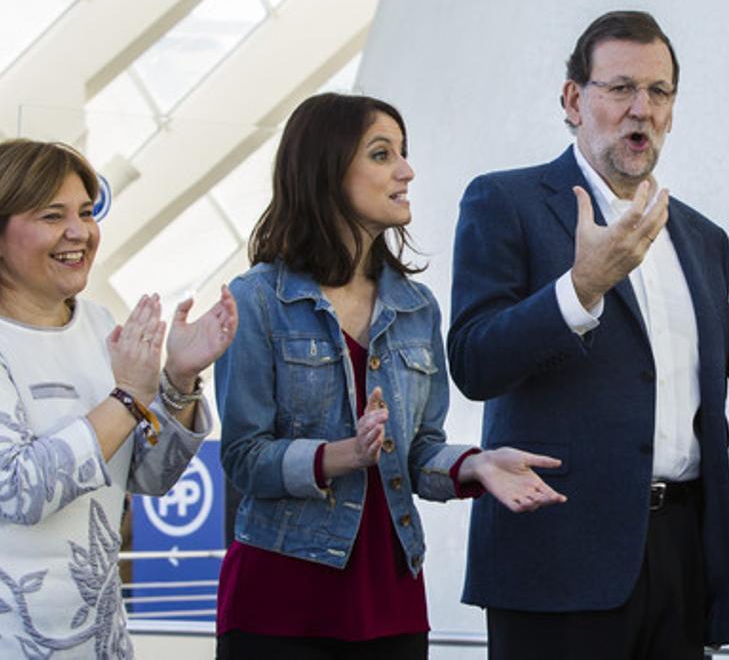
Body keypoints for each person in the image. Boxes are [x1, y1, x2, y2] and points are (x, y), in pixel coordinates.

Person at [214, 93, 565, 660]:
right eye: (382, 155)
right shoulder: (255, 300)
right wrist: (340, 455)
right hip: (280, 601)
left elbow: (418, 449)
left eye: (403, 153)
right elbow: (243, 458)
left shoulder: (417, 306)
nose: (407, 171)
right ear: (325, 170)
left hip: (391, 597)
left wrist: (472, 463)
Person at [448, 10, 729, 660]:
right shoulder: (506, 202)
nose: (641, 108)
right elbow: (472, 360)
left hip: (680, 558)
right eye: (620, 88)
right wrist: (579, 289)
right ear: (574, 99)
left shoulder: (704, 239)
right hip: (557, 557)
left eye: (659, 92)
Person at [0, 139, 236, 658]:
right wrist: (128, 396)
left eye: (86, 212)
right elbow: (19, 491)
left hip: (103, 645)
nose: (78, 232)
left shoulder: (100, 324)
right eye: (51, 215)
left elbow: (149, 477)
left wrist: (179, 379)